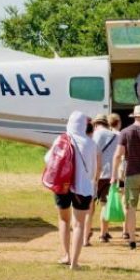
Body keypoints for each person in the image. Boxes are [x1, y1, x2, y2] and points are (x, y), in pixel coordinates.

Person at [45, 111, 100, 269]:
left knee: (63, 220)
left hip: (62, 185)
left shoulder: (62, 139)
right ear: (83, 125)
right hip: (82, 187)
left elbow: (48, 159)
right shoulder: (90, 143)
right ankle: (75, 263)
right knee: (79, 225)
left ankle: (66, 256)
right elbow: (92, 169)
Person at [111, 104, 140, 249]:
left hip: (132, 174)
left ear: (135, 116)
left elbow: (118, 155)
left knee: (131, 208)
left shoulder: (125, 132)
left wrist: (114, 175)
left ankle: (132, 240)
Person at [89, 114, 119, 244]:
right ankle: (103, 234)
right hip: (110, 174)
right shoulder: (116, 136)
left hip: (94, 174)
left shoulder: (93, 136)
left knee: (90, 205)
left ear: (95, 124)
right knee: (105, 204)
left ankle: (86, 233)